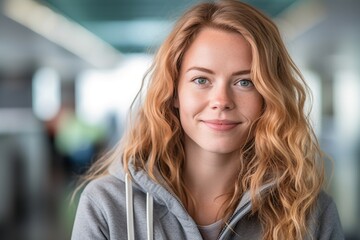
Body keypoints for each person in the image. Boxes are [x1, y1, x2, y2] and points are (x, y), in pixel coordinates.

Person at [71, 0, 344, 239]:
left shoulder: (311, 213)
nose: (221, 100)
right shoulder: (107, 205)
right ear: (174, 92)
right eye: (201, 80)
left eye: (245, 82)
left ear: (268, 97)